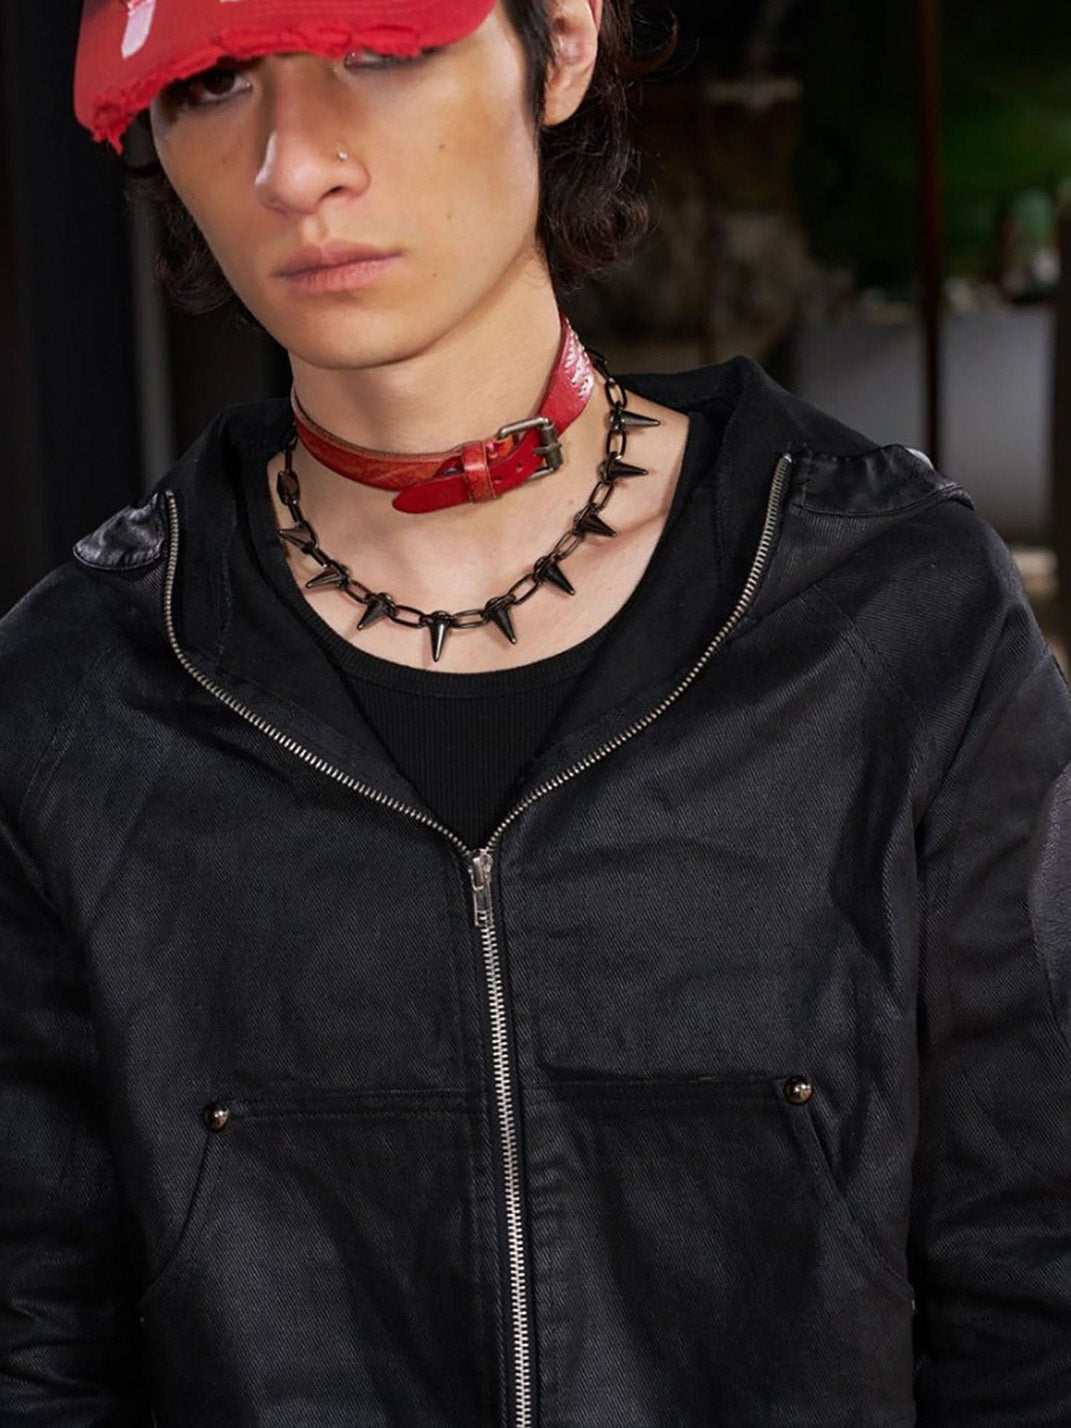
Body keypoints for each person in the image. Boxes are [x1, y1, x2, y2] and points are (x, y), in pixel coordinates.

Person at [1, 0, 1070, 1423]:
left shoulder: (890, 612)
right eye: (211, 83)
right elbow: (36, 1343)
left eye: (382, 50)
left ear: (559, 43)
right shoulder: (75, 698)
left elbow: (1036, 1280)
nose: (293, 165)